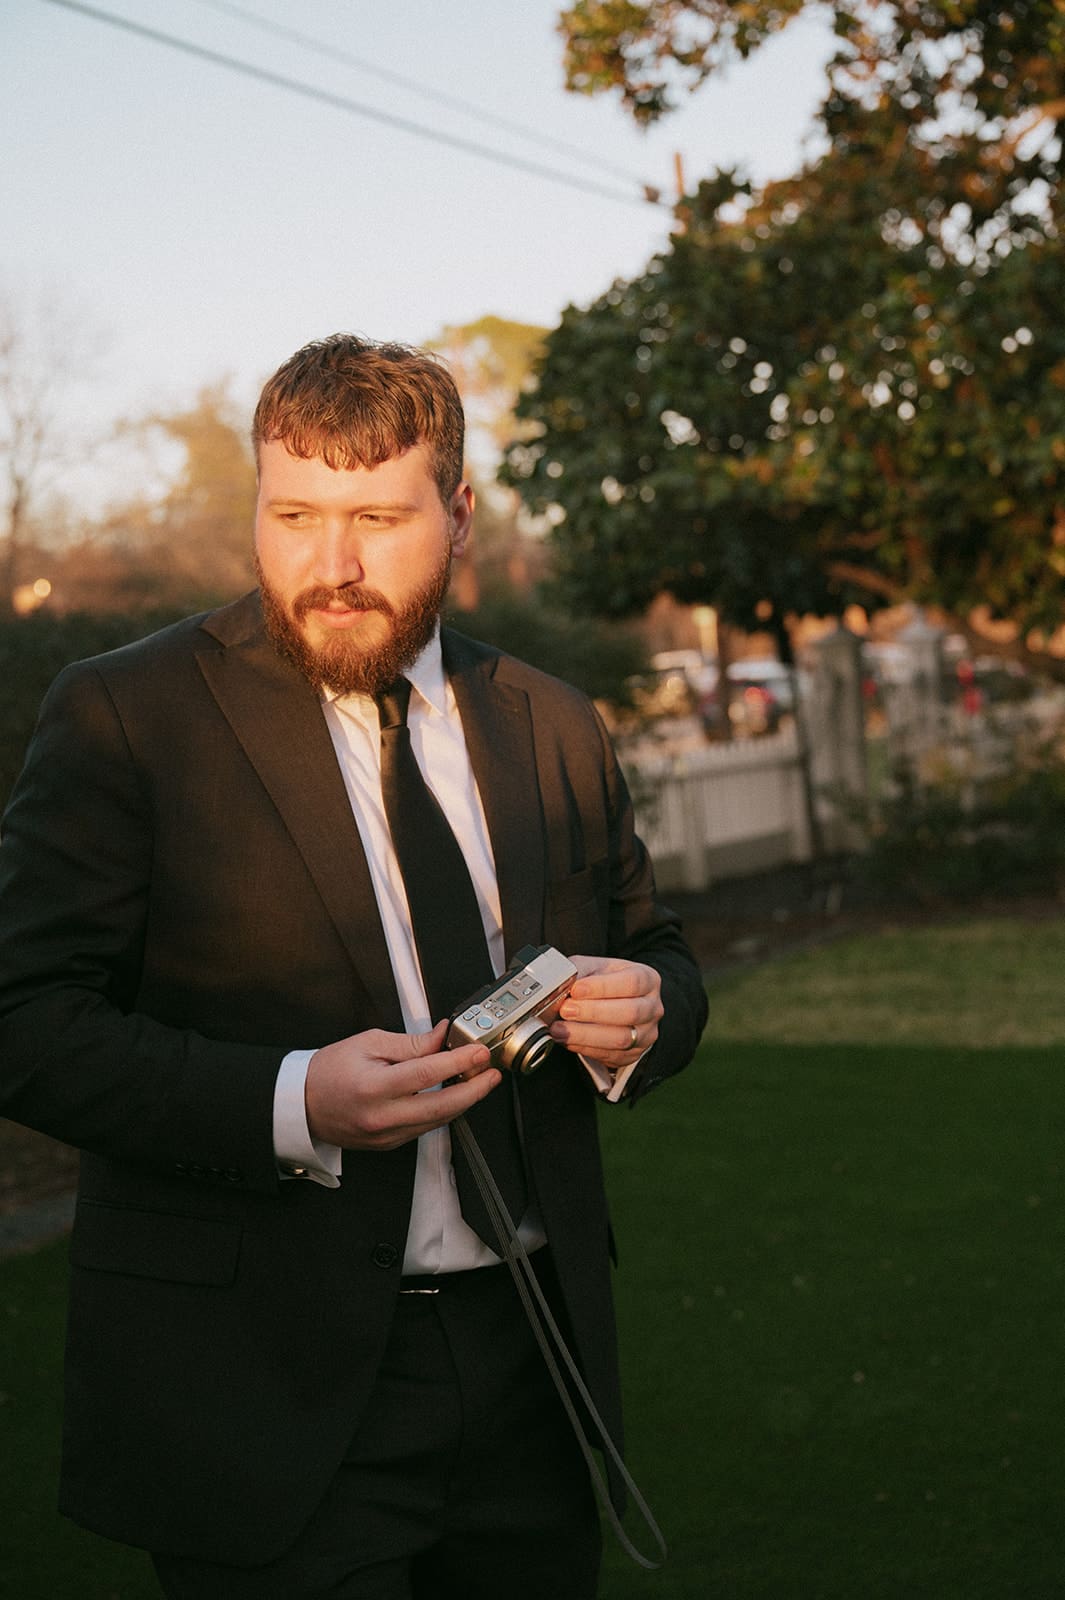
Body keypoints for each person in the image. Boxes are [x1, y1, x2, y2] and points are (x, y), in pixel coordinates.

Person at [0, 334, 707, 1598]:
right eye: (293, 516)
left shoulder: (551, 720)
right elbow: (24, 1019)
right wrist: (292, 1099)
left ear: (461, 514)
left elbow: (654, 947)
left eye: (378, 517)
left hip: (530, 1368)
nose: (330, 565)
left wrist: (649, 1011)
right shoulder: (125, 716)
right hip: (262, 1382)